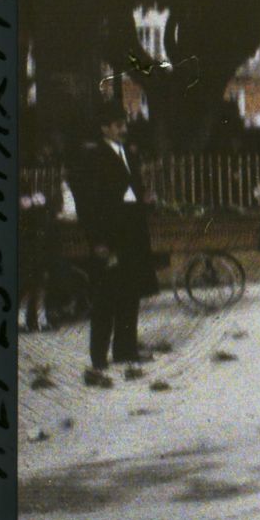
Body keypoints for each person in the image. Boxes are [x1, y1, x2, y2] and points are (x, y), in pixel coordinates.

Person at [65, 101, 159, 382]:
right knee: (106, 295)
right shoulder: (92, 158)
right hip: (110, 235)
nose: (124, 129)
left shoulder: (128, 153)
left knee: (130, 293)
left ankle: (125, 350)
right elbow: (89, 204)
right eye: (118, 125)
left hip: (132, 233)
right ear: (104, 127)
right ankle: (98, 356)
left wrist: (144, 201)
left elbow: (130, 191)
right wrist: (98, 241)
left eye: (124, 124)